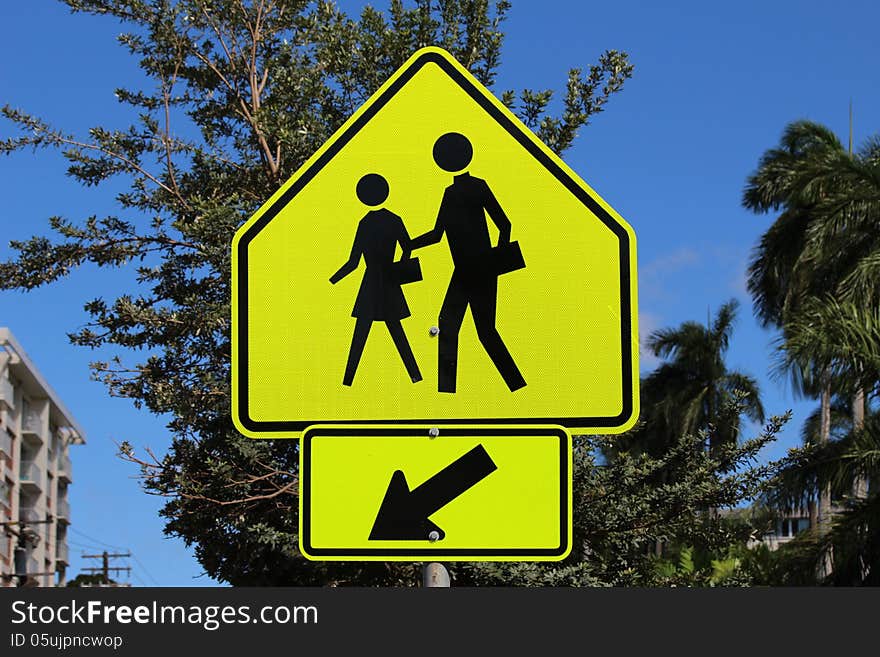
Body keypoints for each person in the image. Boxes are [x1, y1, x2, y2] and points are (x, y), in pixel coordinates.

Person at [411, 133, 526, 393]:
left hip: (478, 269)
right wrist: (410, 244)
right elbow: (438, 233)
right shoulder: (450, 192)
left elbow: (504, 223)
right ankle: (448, 392)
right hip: (464, 270)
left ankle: (516, 386)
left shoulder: (475, 186)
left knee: (480, 330)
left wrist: (495, 260)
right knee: (452, 325)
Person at [331, 173, 422, 386]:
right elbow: (407, 247)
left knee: (361, 334)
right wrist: (399, 269)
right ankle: (416, 377)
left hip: (371, 283)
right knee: (396, 331)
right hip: (389, 281)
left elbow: (353, 262)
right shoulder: (394, 219)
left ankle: (347, 381)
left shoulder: (365, 223)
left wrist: (333, 280)